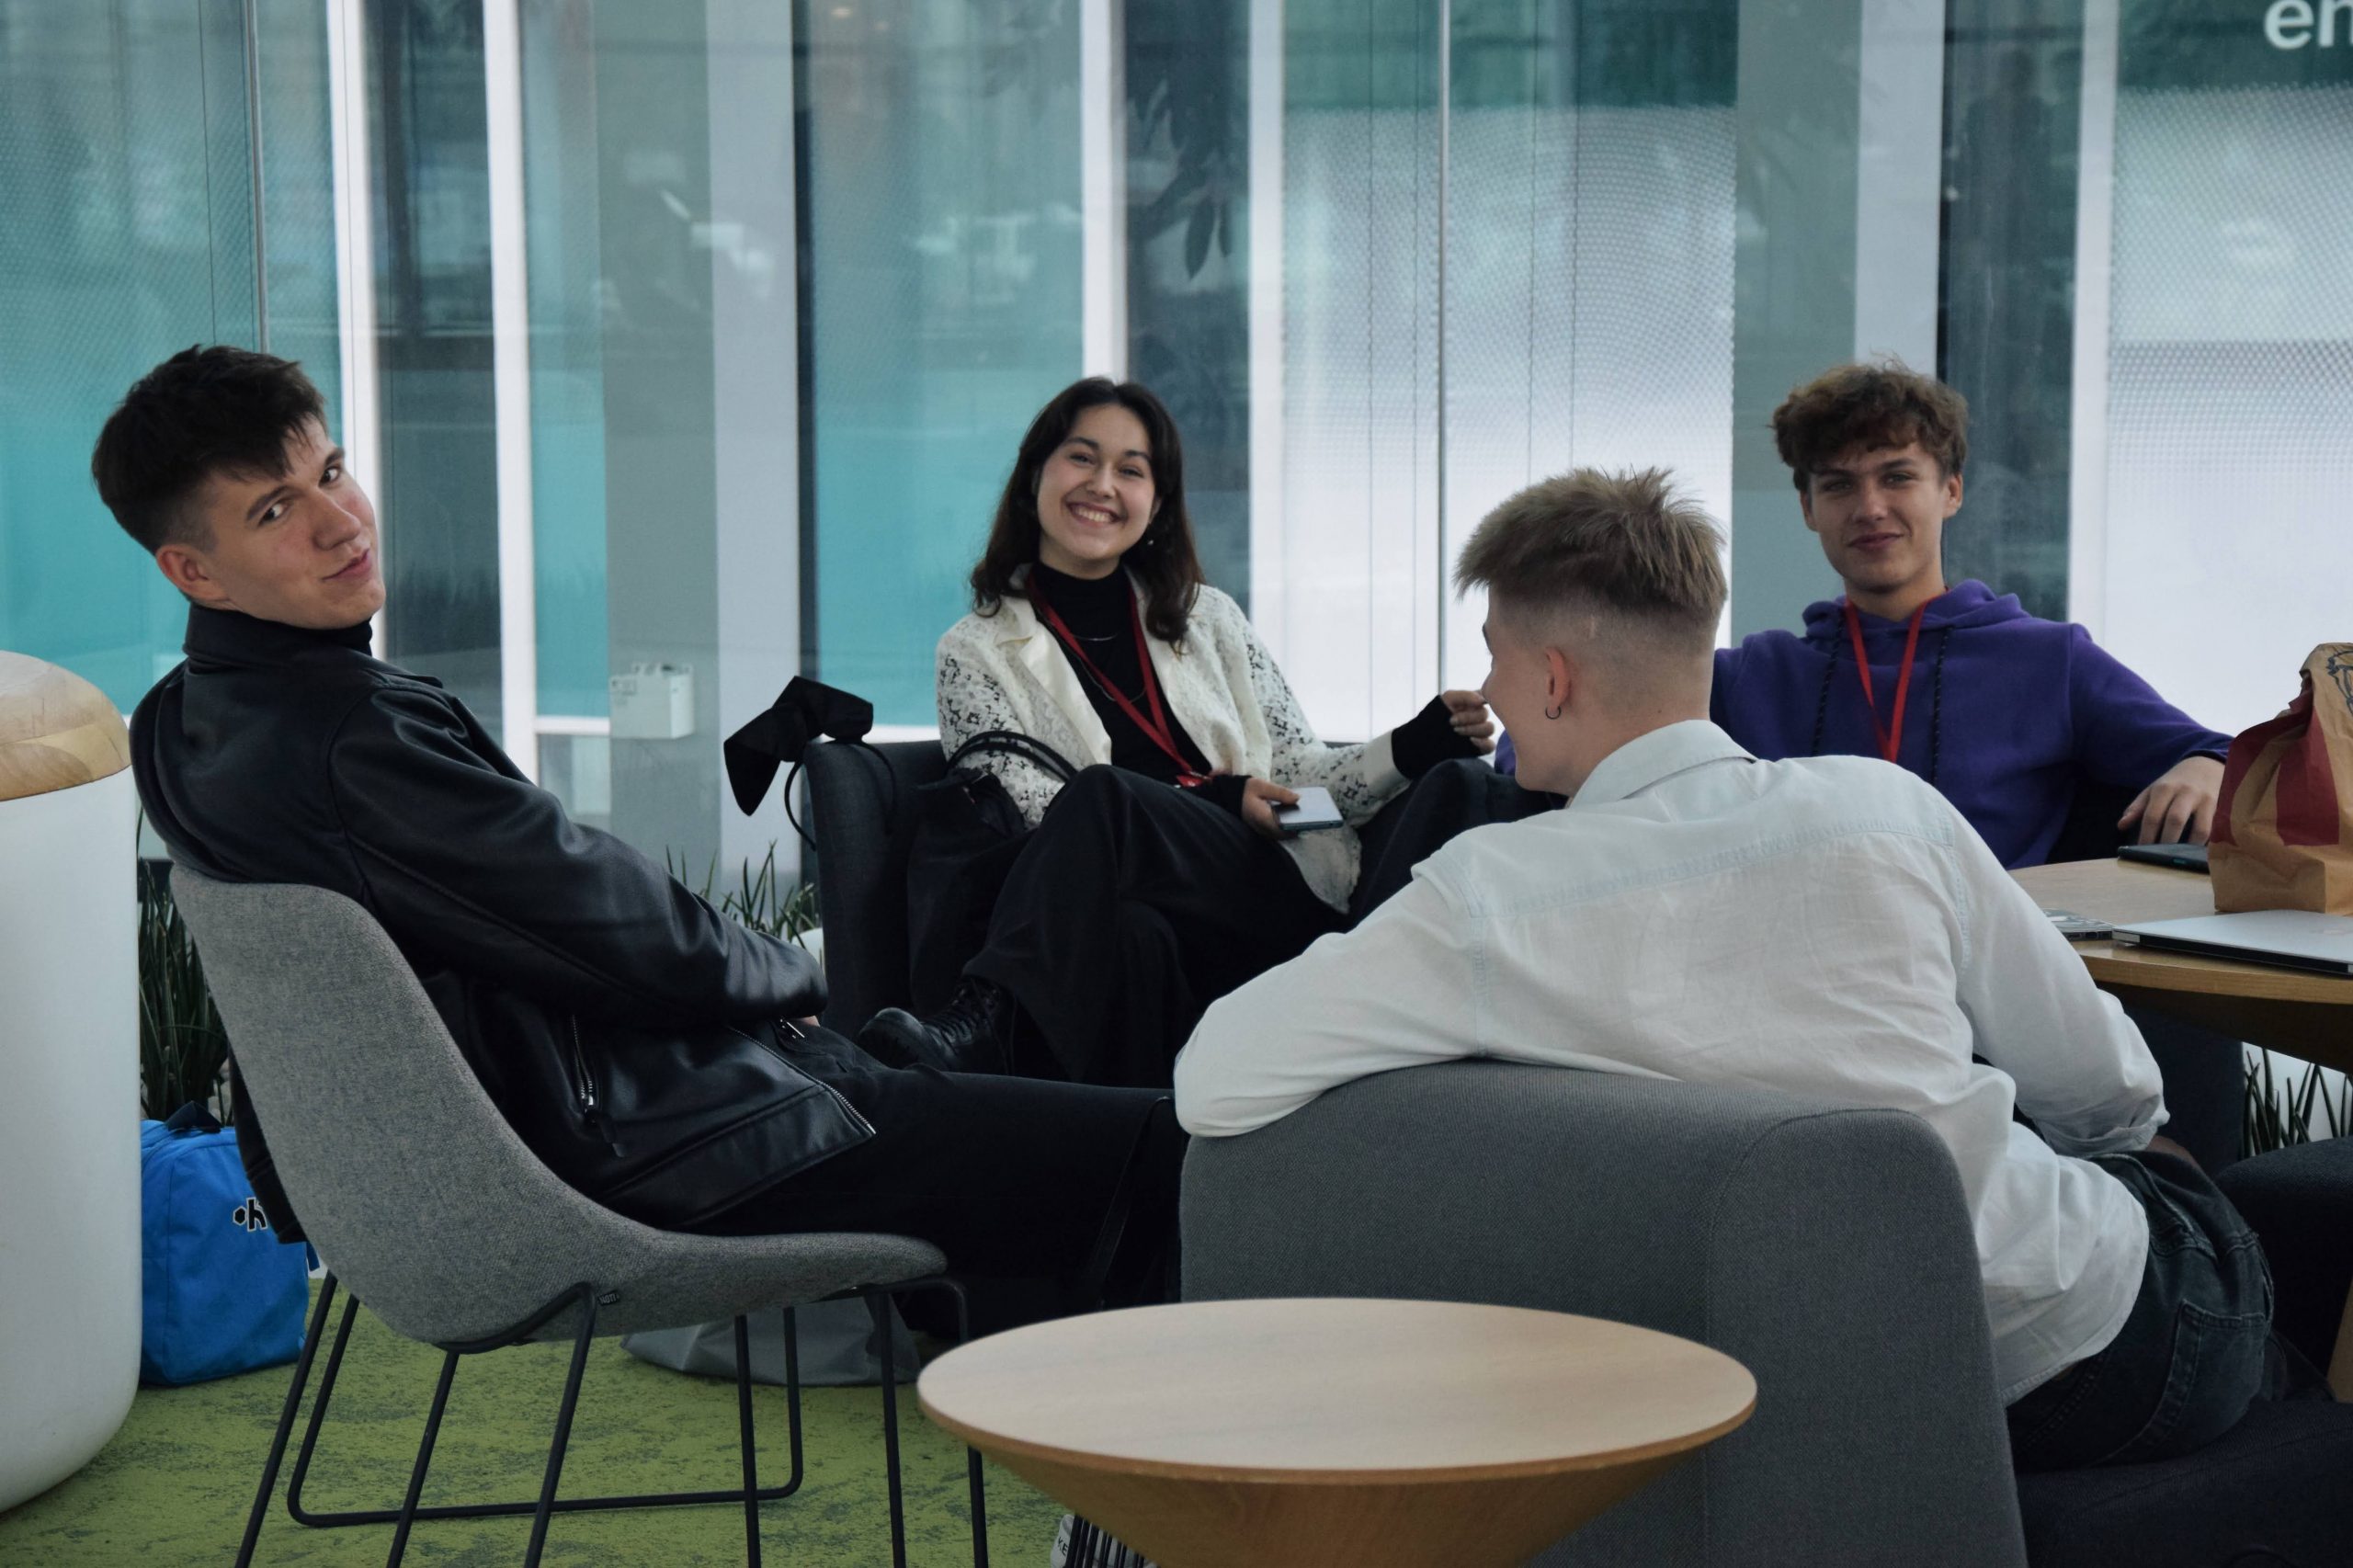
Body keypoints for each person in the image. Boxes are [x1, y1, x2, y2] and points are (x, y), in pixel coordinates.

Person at [1176, 465, 2310, 1470]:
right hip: (2068, 1346)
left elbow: (1213, 1076)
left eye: (1496, 657)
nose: (1496, 687)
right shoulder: (1887, 811)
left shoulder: (1482, 900)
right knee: (2191, 1201)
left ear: (1555, 679)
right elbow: (2112, 1092)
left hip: (1759, 1372)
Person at [100, 345, 1180, 1313]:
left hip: (533, 1140)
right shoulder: (351, 736)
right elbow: (598, 916)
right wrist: (794, 976)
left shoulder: (183, 723)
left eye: (331, 471)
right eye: (273, 511)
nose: (340, 521)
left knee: (1007, 1118)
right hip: (645, 1149)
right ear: (192, 569)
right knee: (1168, 1148)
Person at [858, 377, 1520, 1085]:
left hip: (1268, 883)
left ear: (1157, 503)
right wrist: (1221, 796)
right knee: (1129, 917)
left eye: (1131, 470)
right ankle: (1137, 1137)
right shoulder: (976, 650)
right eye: (1081, 457)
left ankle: (983, 1024)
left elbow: (1299, 776)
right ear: (1034, 476)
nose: (1102, 485)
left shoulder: (1211, 620)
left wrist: (1411, 746)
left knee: (1104, 796)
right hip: (1125, 908)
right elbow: (1026, 809)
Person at [1711, 359, 2233, 869]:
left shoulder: (2048, 660)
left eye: (1897, 477)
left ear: (1951, 491)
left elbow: (2228, 756)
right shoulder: (1750, 677)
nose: (1869, 508)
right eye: (1838, 485)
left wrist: (2208, 766)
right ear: (1808, 508)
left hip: (1991, 929)